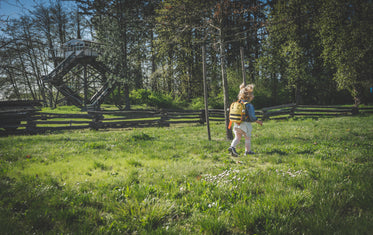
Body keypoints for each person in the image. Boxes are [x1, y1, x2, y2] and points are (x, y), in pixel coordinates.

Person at [228, 83, 263, 157]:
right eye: (252, 94)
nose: (253, 96)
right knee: (247, 138)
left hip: (236, 124)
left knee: (237, 137)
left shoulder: (238, 103)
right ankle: (248, 151)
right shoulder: (248, 105)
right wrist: (258, 121)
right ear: (248, 96)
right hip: (245, 125)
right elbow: (252, 116)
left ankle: (232, 147)